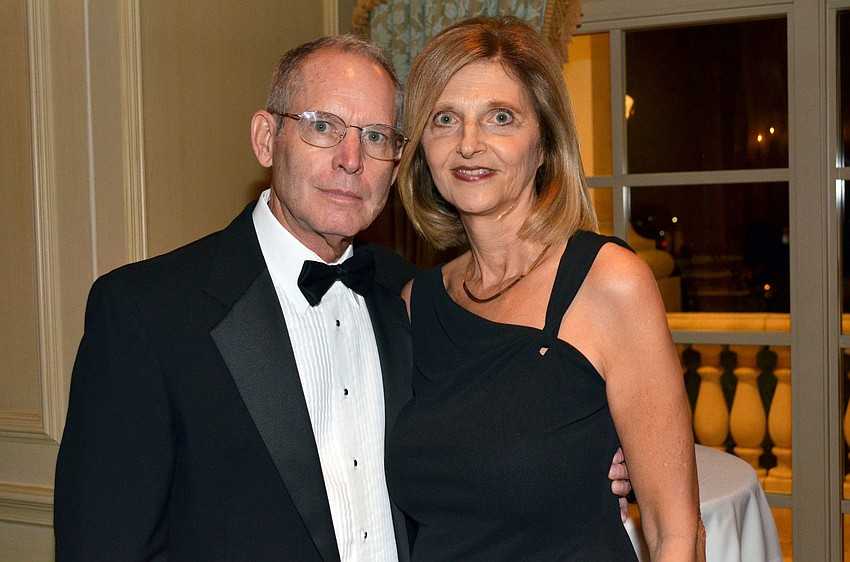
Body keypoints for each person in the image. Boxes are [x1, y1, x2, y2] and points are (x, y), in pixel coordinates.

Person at [54, 33, 631, 561]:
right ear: (265, 137)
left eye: (376, 136)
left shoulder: (415, 299)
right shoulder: (147, 312)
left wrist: (590, 450)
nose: (351, 160)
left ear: (397, 161)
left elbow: (494, 427)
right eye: (323, 126)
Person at [386, 16, 702, 561]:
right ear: (421, 148)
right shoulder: (414, 305)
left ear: (544, 143)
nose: (469, 144)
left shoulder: (607, 284)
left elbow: (677, 535)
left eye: (500, 118)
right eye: (444, 119)